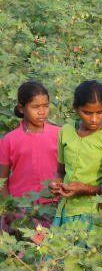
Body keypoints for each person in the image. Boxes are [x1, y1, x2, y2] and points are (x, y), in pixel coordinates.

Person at [49, 80, 102, 228]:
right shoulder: (66, 132)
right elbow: (61, 171)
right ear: (76, 108)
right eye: (87, 113)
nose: (94, 119)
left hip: (95, 214)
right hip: (66, 210)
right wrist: (56, 183)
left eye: (100, 112)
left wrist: (86, 189)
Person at [0, 81, 60, 230]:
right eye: (35, 107)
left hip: (53, 206)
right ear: (22, 108)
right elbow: (2, 181)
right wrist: (10, 209)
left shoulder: (59, 134)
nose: (42, 112)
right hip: (21, 209)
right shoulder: (9, 140)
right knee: (24, 243)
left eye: (45, 106)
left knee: (52, 243)